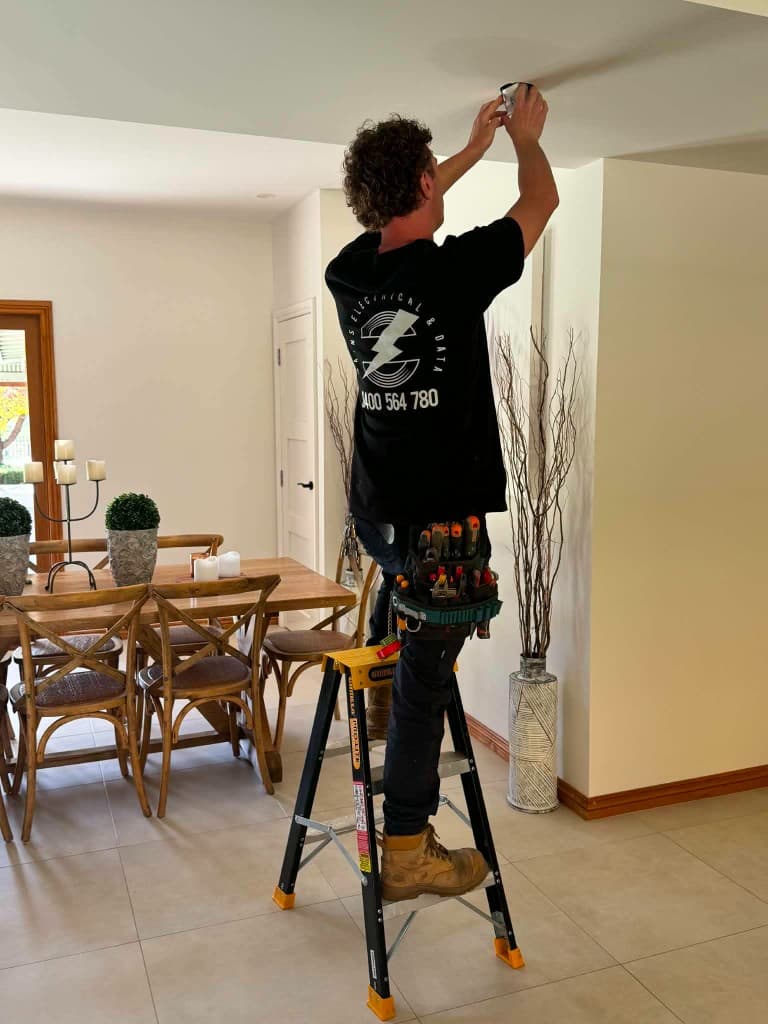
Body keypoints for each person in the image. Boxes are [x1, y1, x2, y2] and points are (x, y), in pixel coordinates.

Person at [325, 85, 558, 901]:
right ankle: (407, 847)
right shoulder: (457, 273)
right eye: (433, 175)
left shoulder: (350, 277)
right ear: (426, 185)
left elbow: (404, 209)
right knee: (430, 675)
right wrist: (523, 139)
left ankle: (387, 713)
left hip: (379, 513)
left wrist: (462, 151)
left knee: (406, 635)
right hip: (440, 525)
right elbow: (543, 199)